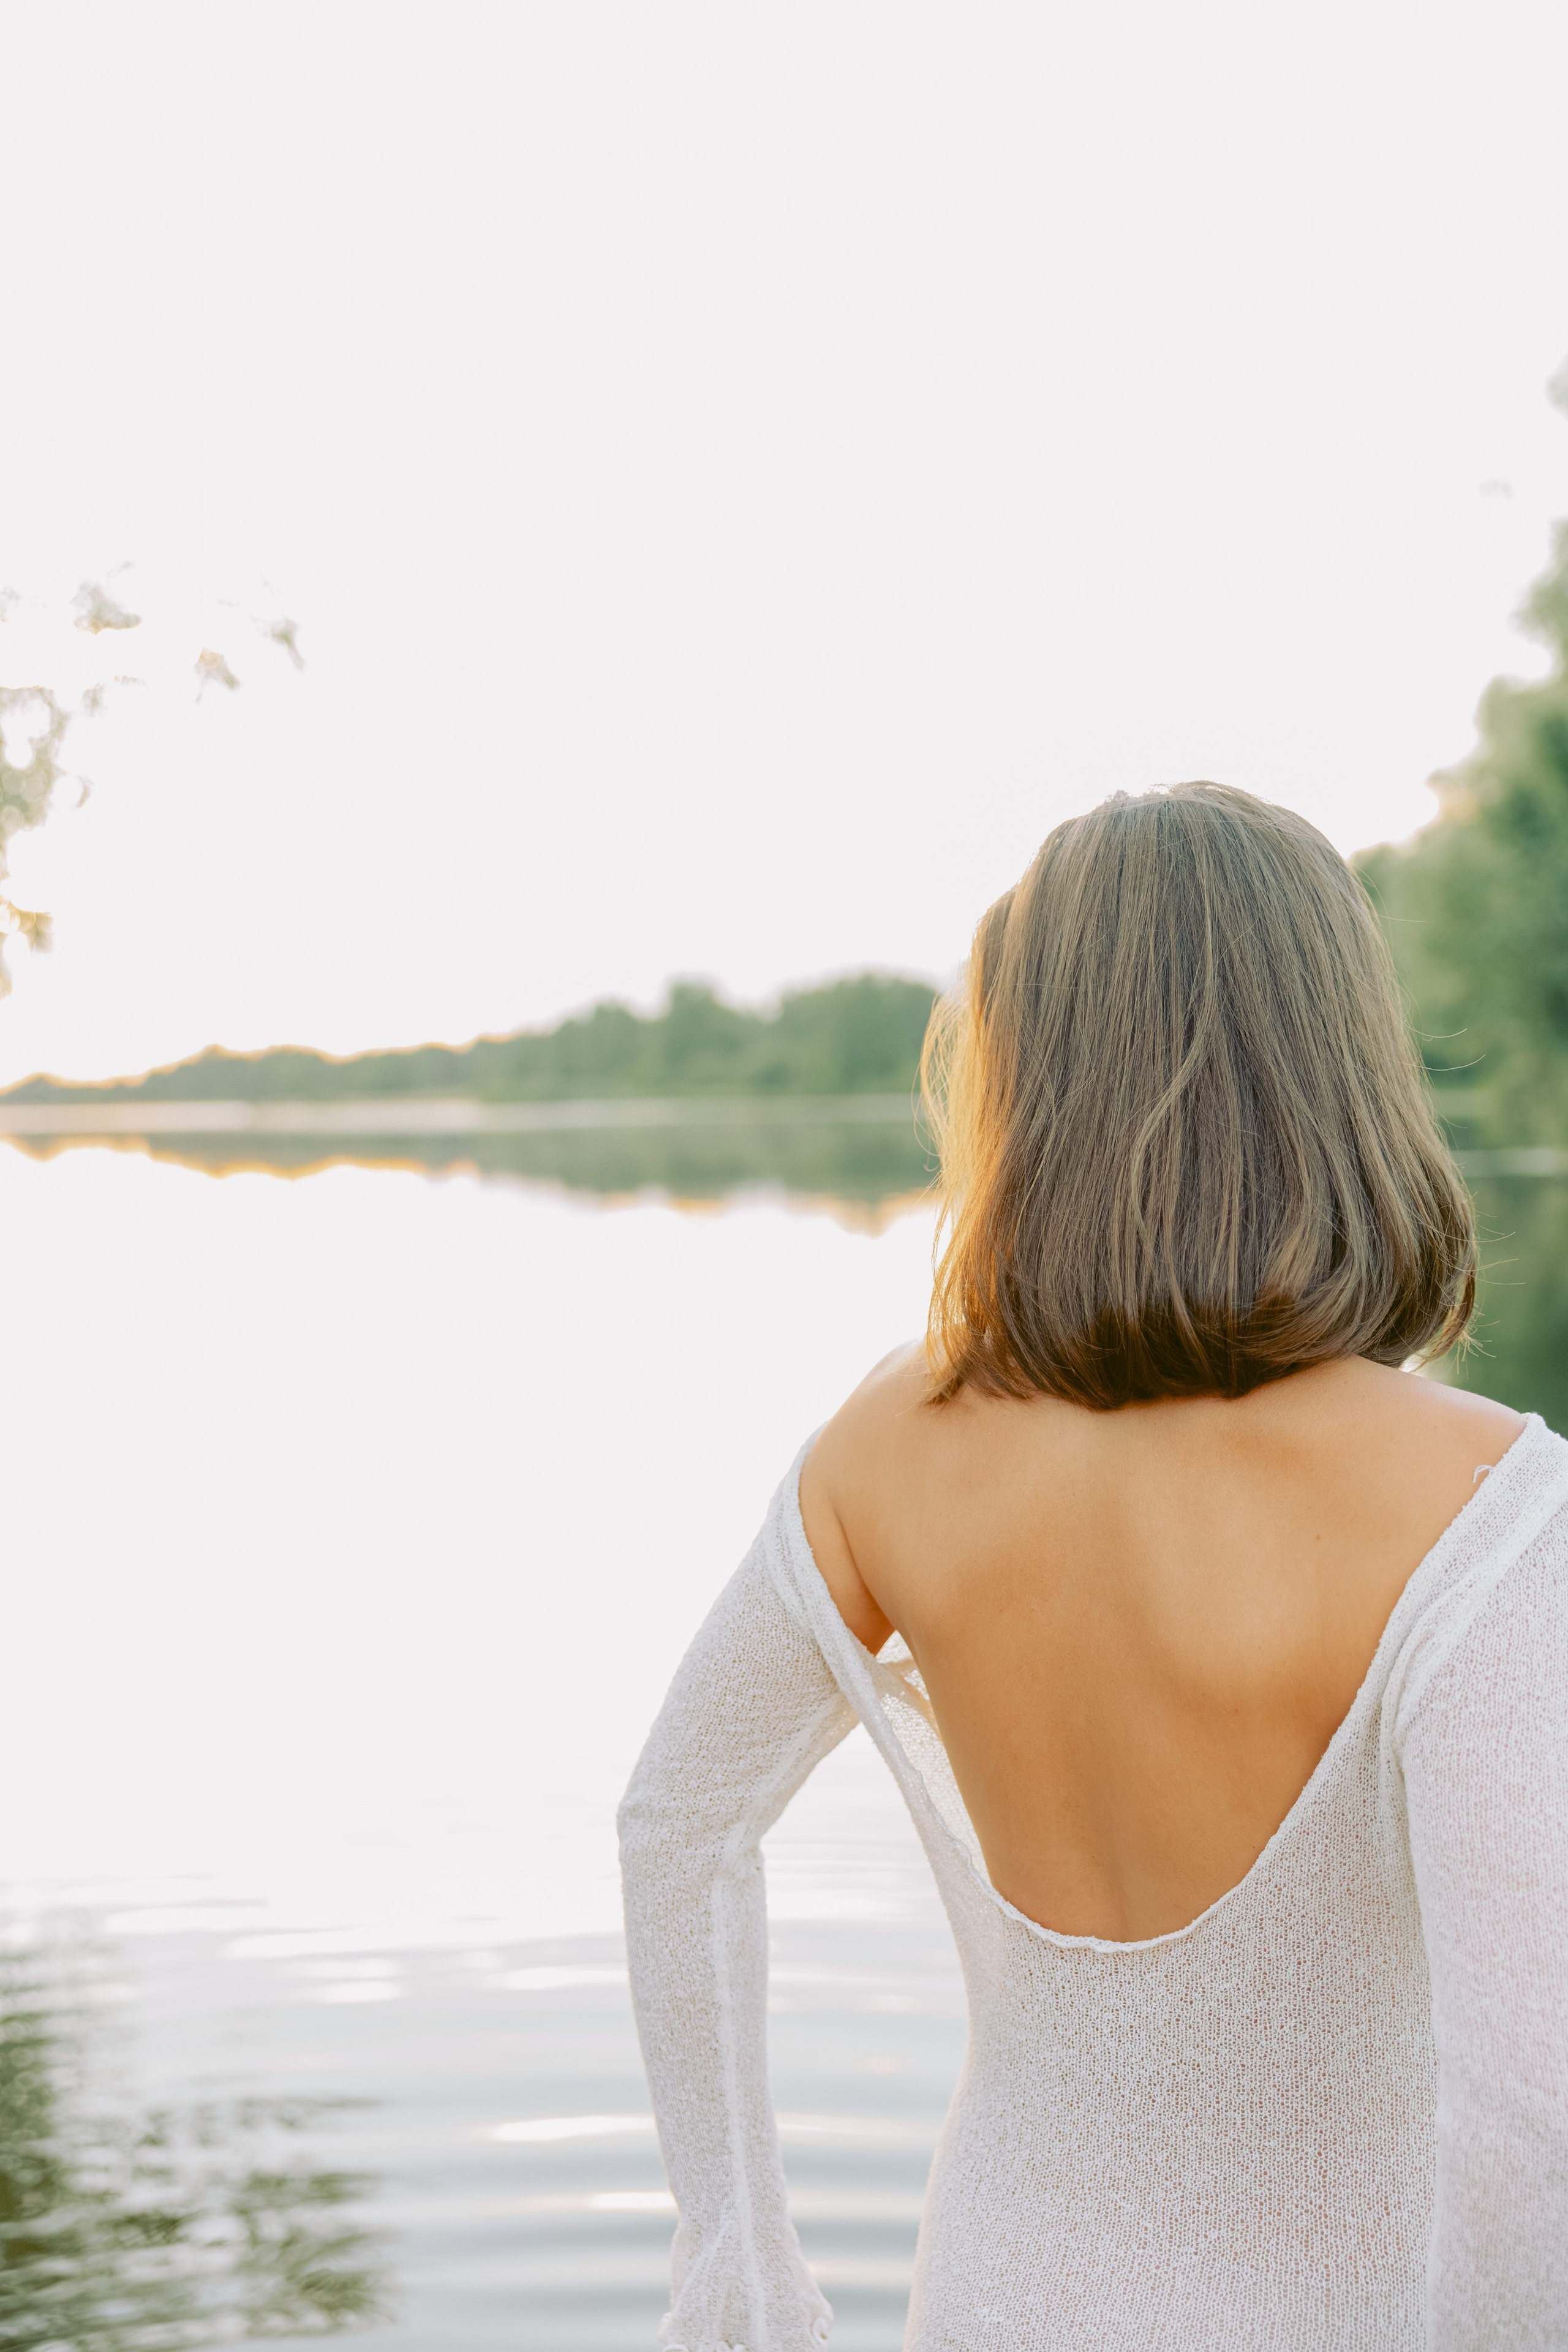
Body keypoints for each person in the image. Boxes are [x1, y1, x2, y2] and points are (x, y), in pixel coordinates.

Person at [618, 783, 1568, 2351]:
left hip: (995, 2300)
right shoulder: (1481, 1502)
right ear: (1334, 1063)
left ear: (1024, 1072)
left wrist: (743, 2277)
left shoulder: (886, 1444)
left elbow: (676, 1824)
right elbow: (1532, 2121)